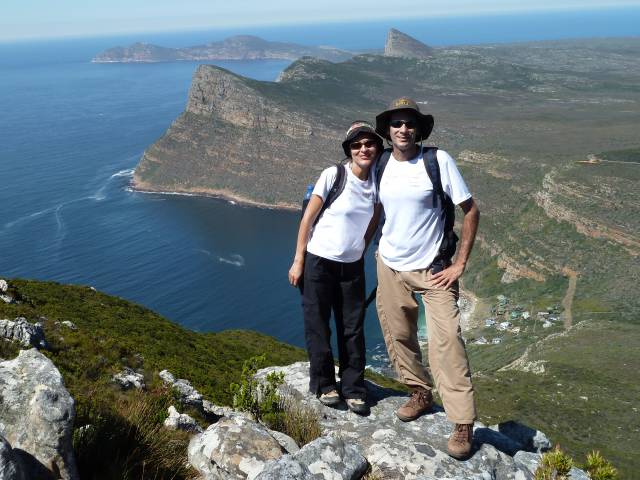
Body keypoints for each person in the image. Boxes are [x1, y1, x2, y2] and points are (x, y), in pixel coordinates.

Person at [373, 97, 480, 459]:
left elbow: (470, 210)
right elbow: (371, 205)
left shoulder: (437, 161)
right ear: (387, 131)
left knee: (447, 340)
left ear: (419, 129)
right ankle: (419, 392)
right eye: (396, 124)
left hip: (434, 270)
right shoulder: (382, 163)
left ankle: (462, 423)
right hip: (390, 265)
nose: (403, 129)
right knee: (399, 334)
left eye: (409, 123)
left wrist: (459, 263)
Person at [288, 121, 382, 416]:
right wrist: (298, 260)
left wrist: (360, 250)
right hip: (319, 262)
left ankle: (354, 388)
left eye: (368, 144)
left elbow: (373, 222)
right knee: (318, 325)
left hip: (351, 267)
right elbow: (308, 220)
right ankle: (325, 384)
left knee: (352, 329)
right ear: (349, 151)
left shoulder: (379, 182)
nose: (363, 149)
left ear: (377, 148)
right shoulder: (334, 175)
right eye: (357, 145)